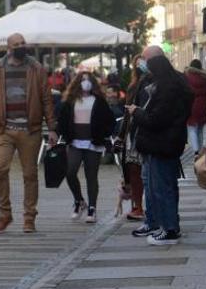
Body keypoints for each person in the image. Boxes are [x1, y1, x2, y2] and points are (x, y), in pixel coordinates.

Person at [0, 33, 57, 234]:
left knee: (30, 174)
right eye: (17, 44)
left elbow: (46, 98)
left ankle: (29, 216)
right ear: (9, 48)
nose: (21, 46)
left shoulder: (37, 68)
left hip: (30, 130)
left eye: (23, 43)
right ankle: (5, 214)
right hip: (4, 129)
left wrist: (52, 128)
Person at [127, 46, 193, 246]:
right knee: (158, 185)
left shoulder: (167, 88)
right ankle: (162, 225)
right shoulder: (170, 83)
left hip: (162, 143)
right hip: (164, 142)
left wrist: (137, 112)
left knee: (162, 187)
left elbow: (156, 118)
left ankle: (169, 228)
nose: (144, 67)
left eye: (147, 63)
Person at [57, 72, 115, 223]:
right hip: (75, 142)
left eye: (88, 80)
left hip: (93, 142)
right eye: (82, 80)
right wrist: (61, 134)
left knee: (91, 175)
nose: (85, 83)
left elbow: (110, 120)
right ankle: (79, 201)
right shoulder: (70, 101)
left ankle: (92, 208)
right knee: (70, 171)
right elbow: (62, 119)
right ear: (77, 83)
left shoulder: (99, 101)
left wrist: (104, 135)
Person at [118, 55, 151, 221]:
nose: (140, 65)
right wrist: (121, 135)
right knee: (134, 170)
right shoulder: (133, 85)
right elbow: (126, 112)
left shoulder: (154, 83)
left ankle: (146, 207)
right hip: (134, 132)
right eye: (138, 62)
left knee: (147, 171)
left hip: (148, 131)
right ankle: (138, 206)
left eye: (143, 61)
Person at [184, 59, 206, 156]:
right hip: (203, 106)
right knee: (200, 129)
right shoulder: (205, 78)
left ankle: (196, 151)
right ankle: (200, 149)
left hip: (190, 105)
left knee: (192, 129)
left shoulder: (186, 78)